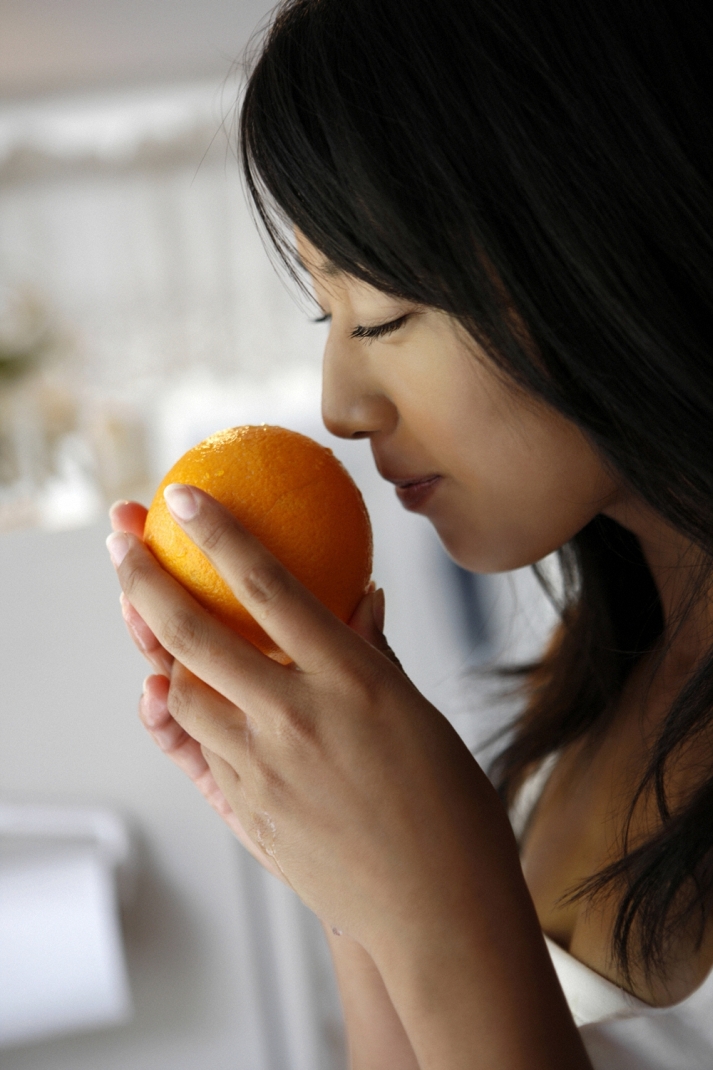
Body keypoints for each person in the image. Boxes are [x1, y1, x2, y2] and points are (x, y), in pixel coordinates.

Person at [107, 1, 713, 1066]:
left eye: (379, 314)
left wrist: (433, 905)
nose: (338, 405)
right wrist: (350, 872)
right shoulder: (592, 681)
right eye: (326, 317)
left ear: (605, 231)